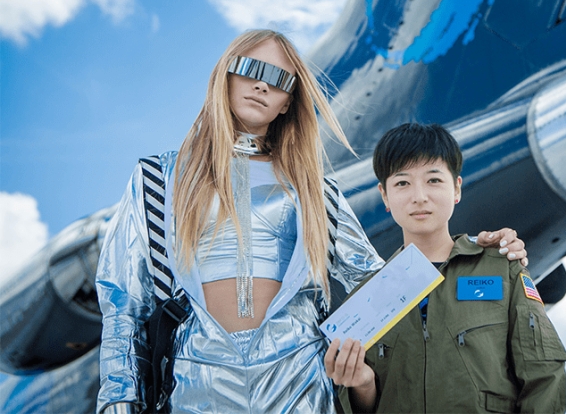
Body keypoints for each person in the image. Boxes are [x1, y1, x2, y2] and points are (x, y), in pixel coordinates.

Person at [96, 30, 526, 414]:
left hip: (298, 378)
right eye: (249, 68)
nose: (262, 84)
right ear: (223, 75)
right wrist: (118, 399)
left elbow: (378, 282)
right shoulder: (157, 178)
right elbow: (123, 303)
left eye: (280, 79)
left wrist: (475, 253)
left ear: (288, 102)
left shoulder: (314, 189)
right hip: (196, 380)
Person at [325, 123, 566, 413]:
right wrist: (362, 386)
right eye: (402, 183)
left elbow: (544, 373)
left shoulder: (502, 270)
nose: (419, 196)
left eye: (433, 180)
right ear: (385, 196)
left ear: (456, 189)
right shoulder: (366, 298)